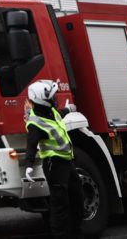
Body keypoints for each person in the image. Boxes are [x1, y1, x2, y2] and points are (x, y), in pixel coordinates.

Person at [24, 79, 83, 239]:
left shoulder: (51, 111)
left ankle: (76, 233)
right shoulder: (35, 123)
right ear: (41, 99)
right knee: (60, 205)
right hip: (54, 166)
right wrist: (28, 165)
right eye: (51, 96)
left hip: (67, 162)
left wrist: (69, 109)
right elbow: (31, 145)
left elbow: (59, 114)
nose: (54, 98)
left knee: (77, 197)